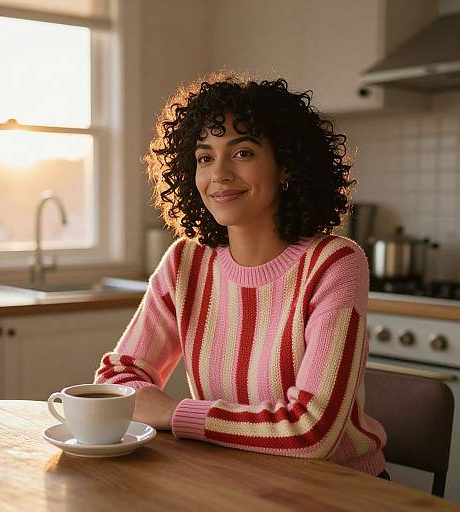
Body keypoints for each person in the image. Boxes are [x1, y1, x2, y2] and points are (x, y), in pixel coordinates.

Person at [95, 72, 388, 477]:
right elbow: (117, 377)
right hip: (235, 480)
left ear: (286, 165)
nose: (219, 174)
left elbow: (312, 431)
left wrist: (175, 412)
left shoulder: (334, 263)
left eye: (243, 153)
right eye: (205, 157)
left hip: (340, 490)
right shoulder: (185, 262)